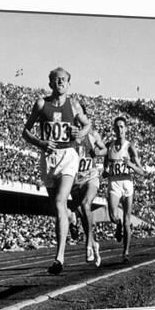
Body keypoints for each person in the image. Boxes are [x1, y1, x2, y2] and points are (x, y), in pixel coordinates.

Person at [22, 67, 91, 275]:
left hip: (68, 156)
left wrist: (80, 132)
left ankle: (59, 257)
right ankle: (71, 216)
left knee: (60, 201)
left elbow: (88, 125)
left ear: (69, 84)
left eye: (64, 79)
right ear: (50, 83)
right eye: (56, 79)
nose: (60, 82)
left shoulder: (74, 105)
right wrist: (41, 142)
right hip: (48, 159)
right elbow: (25, 132)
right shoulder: (42, 104)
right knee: (57, 207)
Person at [103, 116, 145, 264]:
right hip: (114, 183)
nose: (119, 129)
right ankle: (117, 224)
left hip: (127, 183)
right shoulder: (109, 146)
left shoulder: (130, 147)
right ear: (114, 129)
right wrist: (106, 171)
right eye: (117, 127)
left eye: (122, 127)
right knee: (112, 215)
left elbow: (142, 171)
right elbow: (105, 168)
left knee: (127, 220)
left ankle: (126, 252)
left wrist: (131, 165)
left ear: (125, 129)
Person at [70, 109, 107, 267]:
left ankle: (88, 245)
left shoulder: (92, 134)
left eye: (80, 115)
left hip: (91, 177)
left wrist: (97, 151)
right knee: (83, 215)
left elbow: (105, 150)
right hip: (75, 181)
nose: (78, 119)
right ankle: (94, 243)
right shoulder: (69, 132)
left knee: (86, 204)